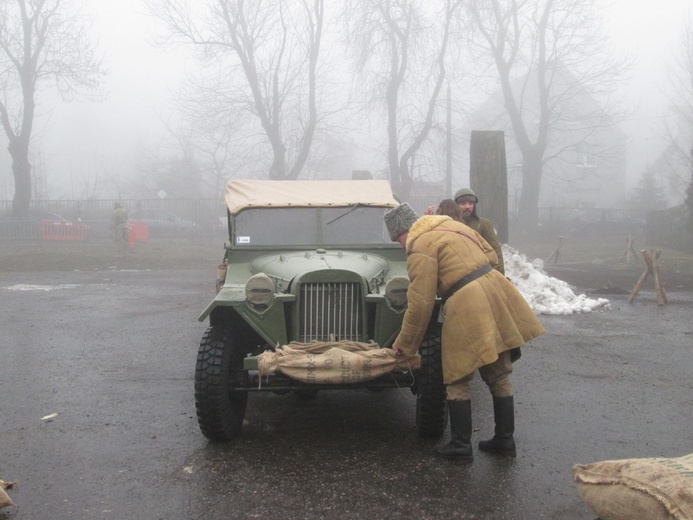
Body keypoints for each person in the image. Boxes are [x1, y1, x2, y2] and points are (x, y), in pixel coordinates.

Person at [384, 203, 544, 461]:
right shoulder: (454, 225)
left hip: (465, 300)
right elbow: (492, 255)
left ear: (404, 231)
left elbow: (421, 303)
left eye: (398, 239)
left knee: (457, 374)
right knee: (499, 373)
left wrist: (405, 345)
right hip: (495, 290)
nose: (401, 245)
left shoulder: (420, 245)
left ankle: (460, 445)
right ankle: (505, 440)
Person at [426, 188, 505, 274]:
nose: (467, 206)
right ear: (456, 206)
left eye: (470, 203)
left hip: (480, 274)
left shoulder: (483, 224)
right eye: (463, 203)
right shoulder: (449, 225)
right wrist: (428, 220)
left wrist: (500, 277)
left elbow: (496, 253)